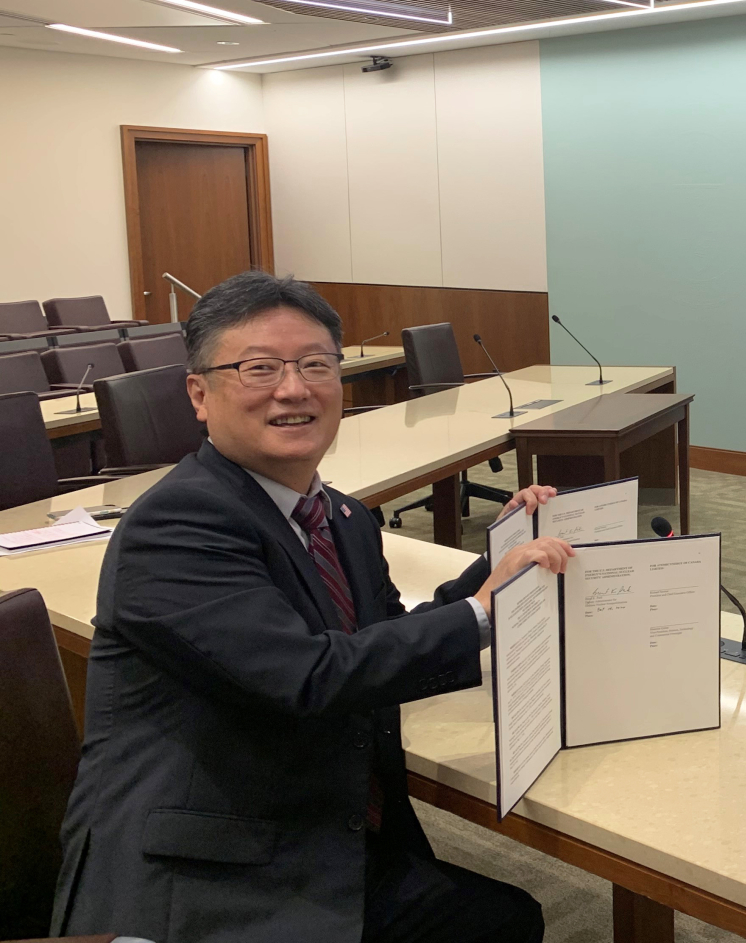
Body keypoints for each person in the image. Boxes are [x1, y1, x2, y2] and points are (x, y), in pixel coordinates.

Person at [51, 271, 574, 943]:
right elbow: (308, 675)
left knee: (506, 918)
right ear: (199, 394)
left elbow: (380, 638)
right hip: (210, 872)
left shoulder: (343, 517)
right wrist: (480, 611)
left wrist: (496, 560)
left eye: (315, 365)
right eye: (258, 368)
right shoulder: (176, 524)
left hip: (312, 823)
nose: (293, 389)